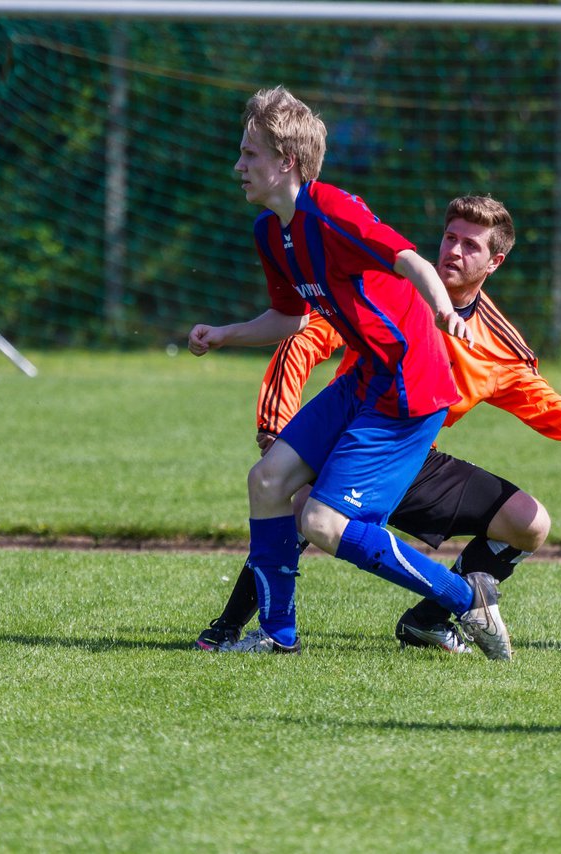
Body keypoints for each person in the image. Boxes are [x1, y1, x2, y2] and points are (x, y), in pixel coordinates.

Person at [194, 194, 561, 656]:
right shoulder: (393, 286)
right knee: (293, 500)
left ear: (494, 262)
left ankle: (429, 621)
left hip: (413, 452)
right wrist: (276, 418)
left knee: (529, 523)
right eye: (450, 237)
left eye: (471, 246)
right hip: (358, 436)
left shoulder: (498, 343)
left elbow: (536, 396)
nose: (454, 251)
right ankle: (233, 627)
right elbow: (305, 336)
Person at [188, 87, 508, 661]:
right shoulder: (271, 231)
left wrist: (439, 306)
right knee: (267, 481)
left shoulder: (331, 207)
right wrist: (225, 334)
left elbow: (409, 258)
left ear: (287, 160)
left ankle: (466, 595)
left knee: (324, 523)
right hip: (364, 380)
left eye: (250, 155)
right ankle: (279, 635)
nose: (238, 166)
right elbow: (290, 316)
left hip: (410, 381)